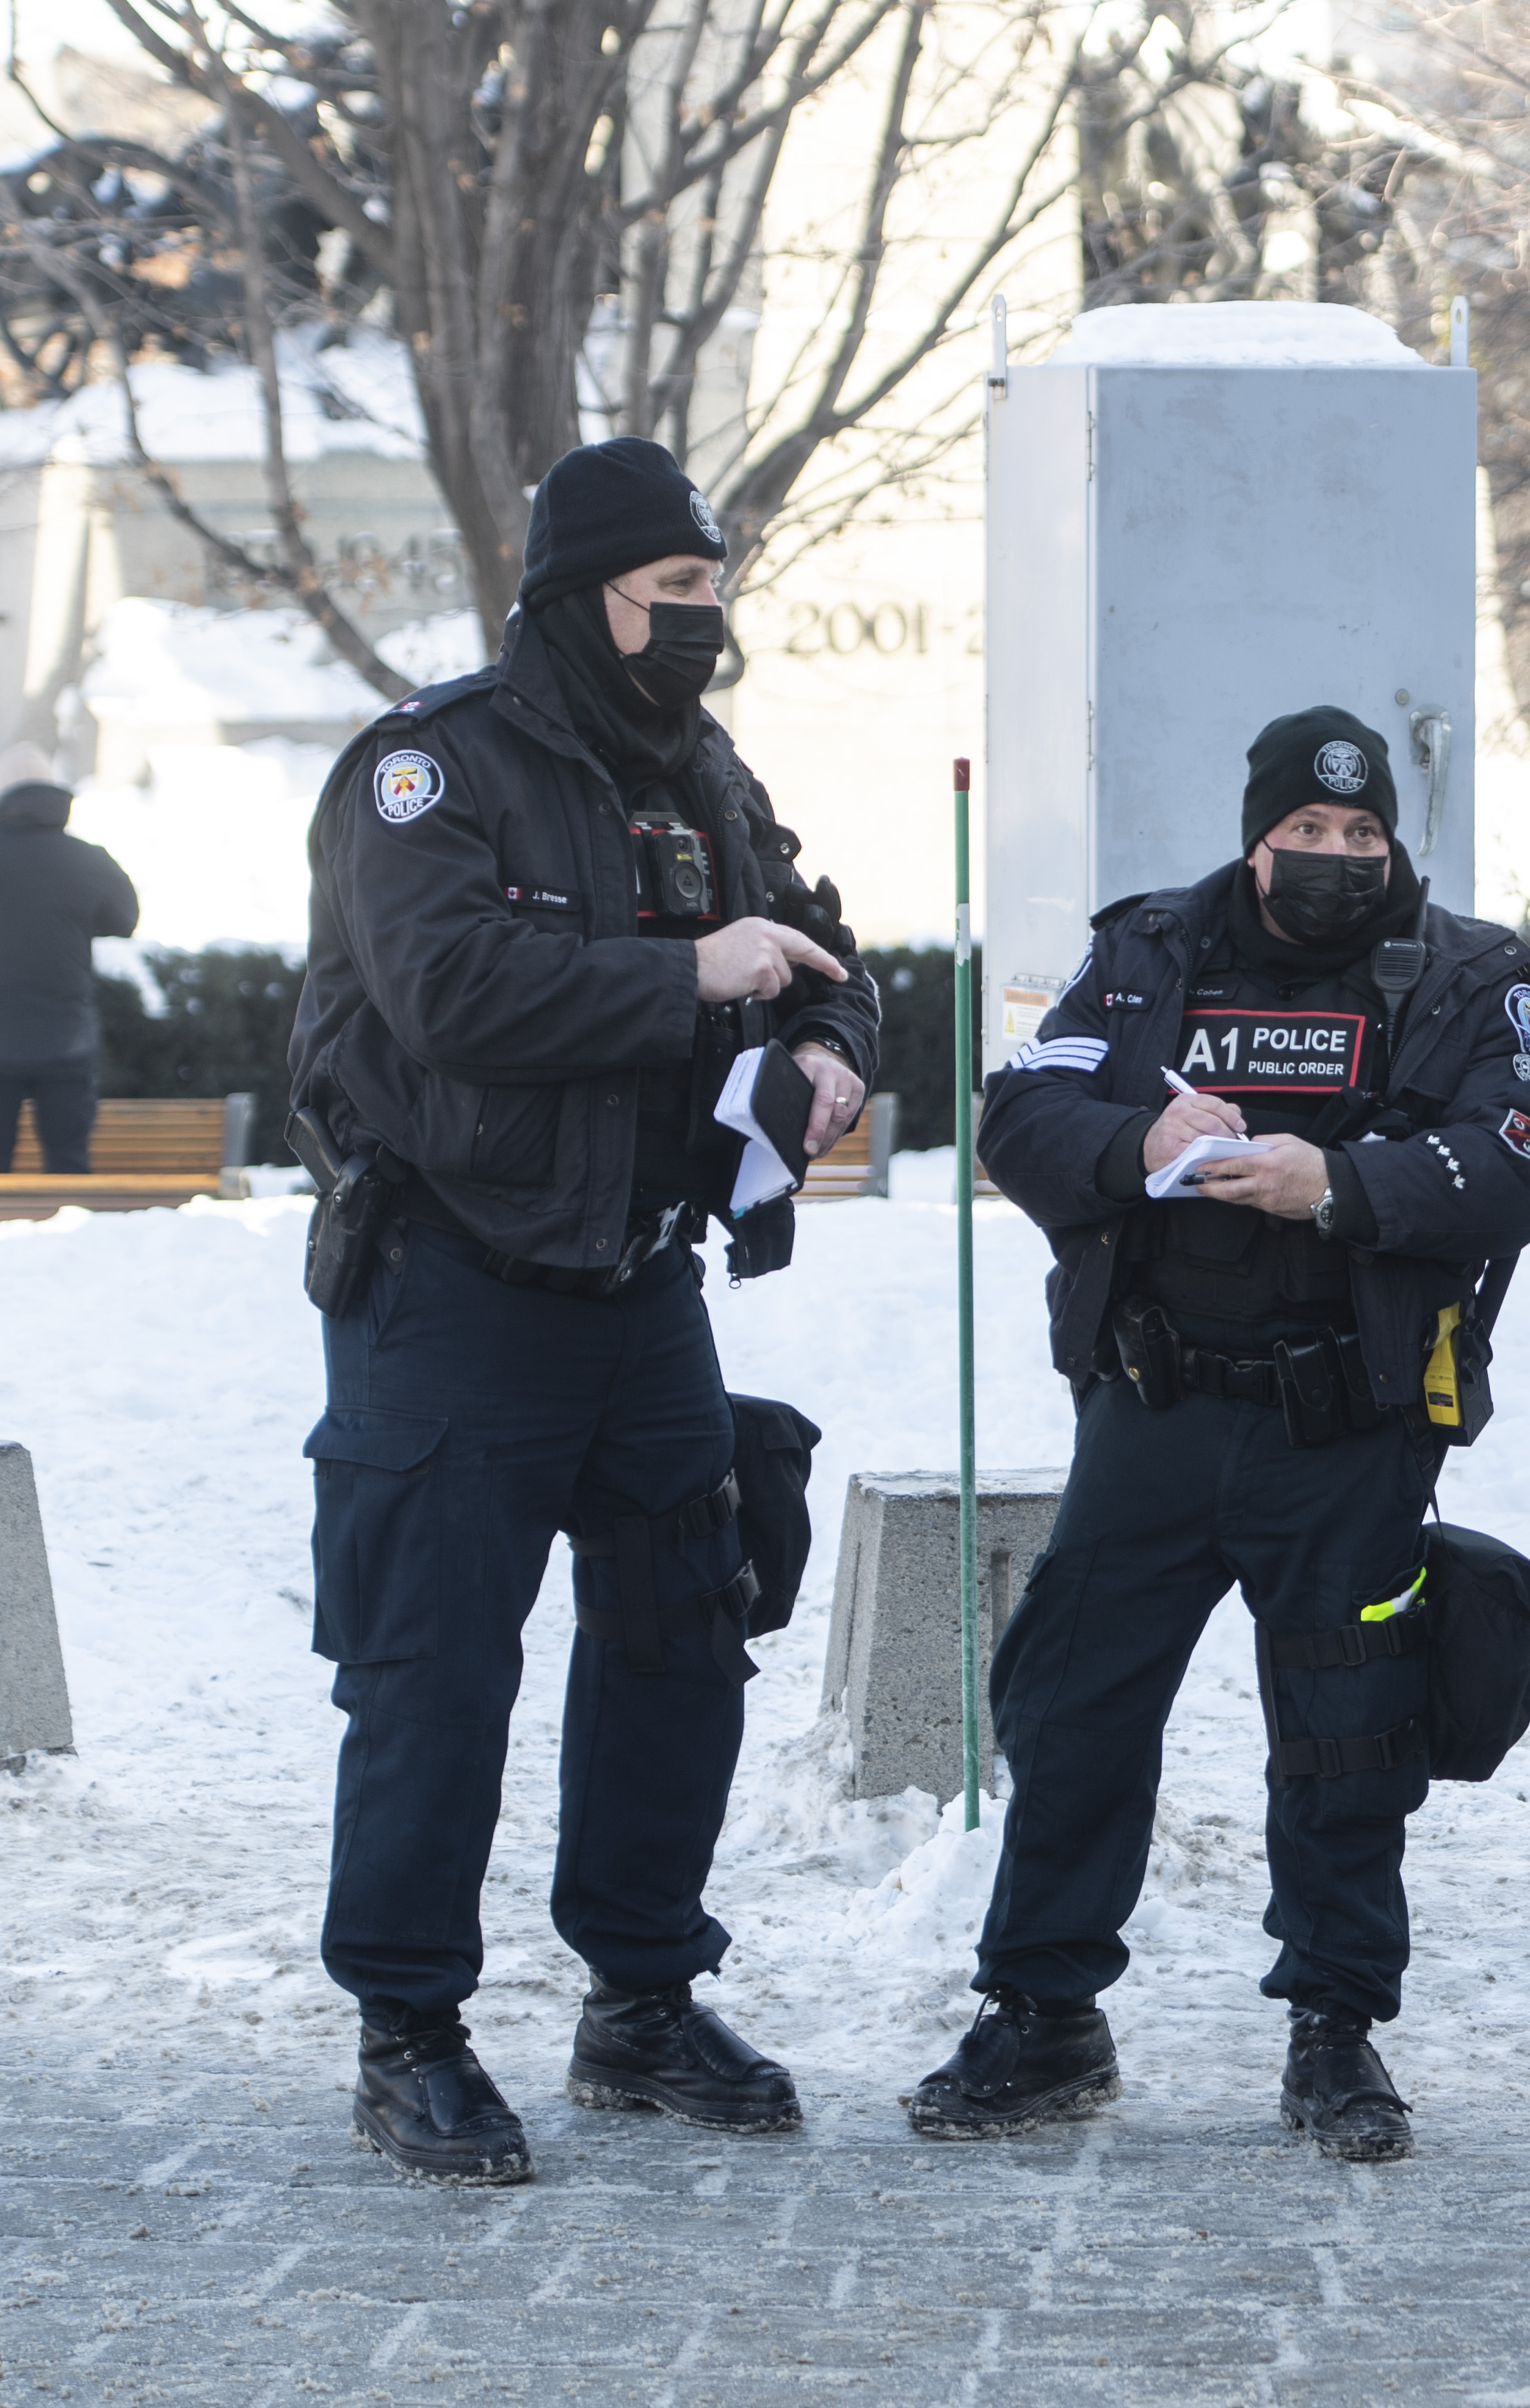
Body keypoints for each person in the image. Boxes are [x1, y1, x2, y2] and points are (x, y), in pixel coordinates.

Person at [287, 436, 878, 2186]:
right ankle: (410, 2031)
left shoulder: (703, 772)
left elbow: (831, 956)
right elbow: (450, 989)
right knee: (434, 1669)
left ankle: (638, 1997)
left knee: (684, 1631)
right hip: (452, 1285)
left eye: (714, 597)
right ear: (577, 598)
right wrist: (686, 973)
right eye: (672, 598)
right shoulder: (428, 770)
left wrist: (830, 1060)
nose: (705, 629)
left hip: (640, 1282)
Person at [907, 706, 1530, 2162]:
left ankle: (1336, 2029)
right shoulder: (1143, 951)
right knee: (1073, 1710)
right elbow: (1019, 1106)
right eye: (1305, 835)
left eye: (1361, 834)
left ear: (1393, 838)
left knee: (1347, 1734)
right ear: (1255, 836)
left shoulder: (1465, 973)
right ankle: (1042, 2011)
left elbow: (1520, 1153)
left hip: (1349, 1423)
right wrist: (1135, 1142)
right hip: (1152, 1409)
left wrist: (1338, 1181)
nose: (1335, 857)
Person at [0, 771, 139, 1172]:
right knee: (68, 1161)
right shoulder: (88, 858)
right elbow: (124, 921)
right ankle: (69, 1232)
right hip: (65, 1037)